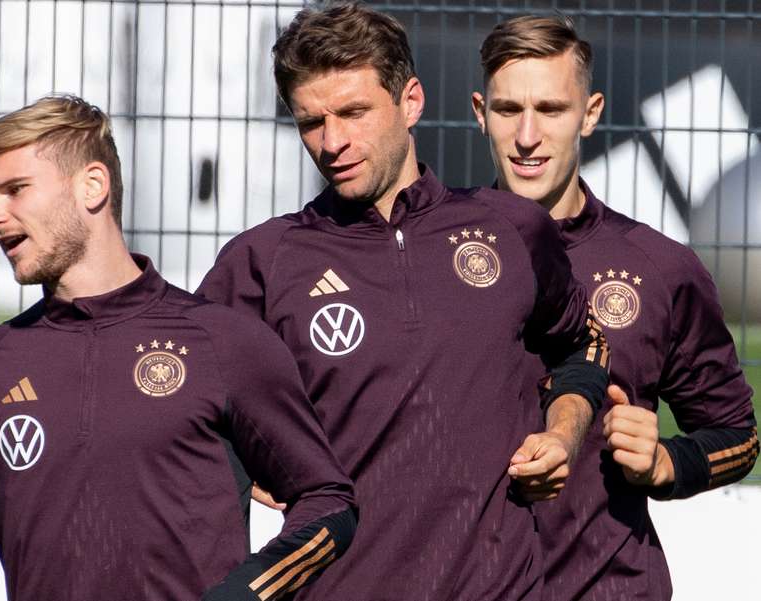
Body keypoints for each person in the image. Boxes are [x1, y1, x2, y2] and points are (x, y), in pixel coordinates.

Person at [197, 4, 610, 600]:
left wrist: (565, 432)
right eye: (311, 121)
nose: (332, 141)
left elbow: (583, 343)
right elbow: (188, 418)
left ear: (410, 102)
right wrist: (248, 463)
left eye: (354, 112)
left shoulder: (513, 231)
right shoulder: (262, 263)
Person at [0, 95, 357, 601]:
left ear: (93, 185)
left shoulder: (222, 340)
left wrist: (243, 594)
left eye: (14, 190)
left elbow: (327, 503)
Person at [472, 15, 758, 600]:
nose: (528, 136)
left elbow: (737, 437)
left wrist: (665, 464)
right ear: (480, 113)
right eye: (508, 110)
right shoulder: (427, 251)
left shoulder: (659, 267)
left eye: (551, 109)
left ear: (591, 112)